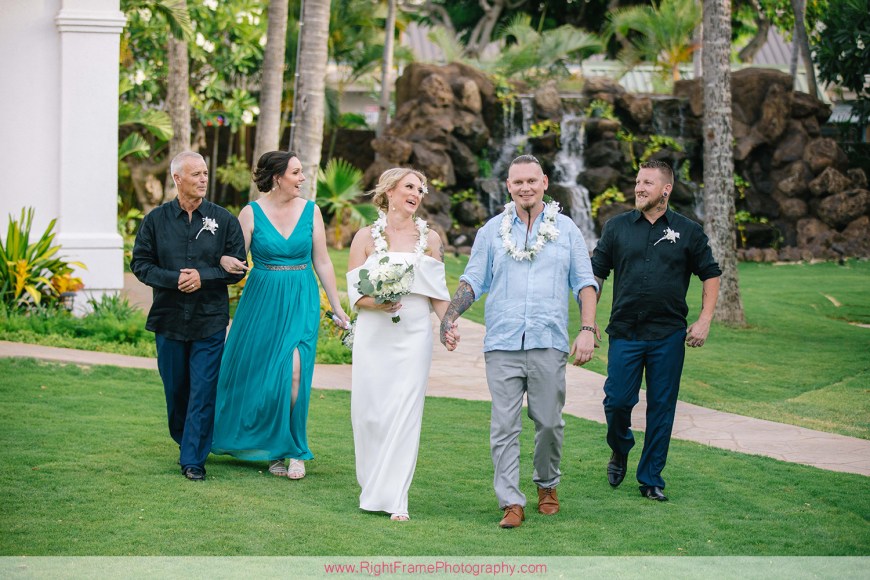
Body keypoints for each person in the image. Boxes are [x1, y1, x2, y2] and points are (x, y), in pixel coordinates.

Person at [439, 155, 598, 529]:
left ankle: (547, 484)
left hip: (548, 340)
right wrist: (449, 316)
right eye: (517, 182)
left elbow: (585, 283)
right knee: (504, 426)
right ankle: (511, 501)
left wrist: (588, 330)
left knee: (548, 423)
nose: (525, 187)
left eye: (531, 180)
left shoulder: (567, 230)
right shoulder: (492, 231)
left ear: (544, 182)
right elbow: (473, 280)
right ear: (508, 186)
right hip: (503, 343)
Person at [211, 150, 350, 480]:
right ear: (277, 177)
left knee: (295, 375)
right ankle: (273, 449)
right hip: (262, 302)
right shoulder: (251, 213)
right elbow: (235, 258)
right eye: (296, 173)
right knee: (264, 378)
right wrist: (223, 262)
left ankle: (293, 450)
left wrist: (337, 305)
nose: (302, 178)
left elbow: (324, 261)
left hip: (301, 297)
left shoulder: (311, 211)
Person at [591, 159, 721, 502]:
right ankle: (620, 448)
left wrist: (705, 319)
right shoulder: (616, 227)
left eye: (647, 182)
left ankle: (651, 479)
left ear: (666, 189)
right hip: (625, 332)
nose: (639, 188)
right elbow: (597, 273)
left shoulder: (688, 230)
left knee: (662, 407)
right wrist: (588, 323)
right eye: (637, 181)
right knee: (617, 401)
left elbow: (710, 272)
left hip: (668, 335)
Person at [346, 168, 458, 521]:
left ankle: (397, 499)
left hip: (413, 333)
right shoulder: (365, 237)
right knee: (370, 413)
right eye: (409, 186)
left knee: (405, 412)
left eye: (420, 189)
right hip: (374, 332)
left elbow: (438, 294)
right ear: (390, 191)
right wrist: (376, 302)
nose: (417, 193)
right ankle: (372, 486)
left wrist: (448, 324)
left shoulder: (430, 239)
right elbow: (355, 294)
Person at [131, 151, 247, 481]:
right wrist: (173, 279)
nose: (203, 179)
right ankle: (188, 441)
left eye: (205, 173)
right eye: (195, 174)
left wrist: (204, 275)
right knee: (176, 390)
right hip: (168, 319)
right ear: (177, 179)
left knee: (203, 390)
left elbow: (238, 267)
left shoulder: (224, 220)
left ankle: (193, 460)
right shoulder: (155, 220)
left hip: (209, 320)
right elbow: (140, 264)